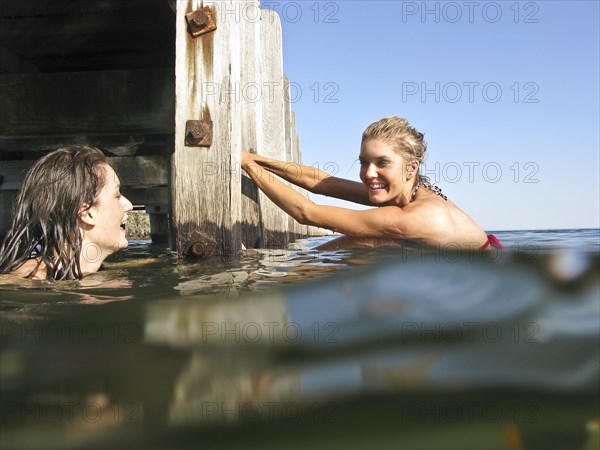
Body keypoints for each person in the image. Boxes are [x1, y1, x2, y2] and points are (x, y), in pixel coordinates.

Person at [241, 117, 503, 251]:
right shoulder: (405, 192)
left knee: (365, 239)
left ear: (412, 168)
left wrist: (247, 166)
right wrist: (257, 159)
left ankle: (287, 267)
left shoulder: (415, 217)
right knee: (364, 241)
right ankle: (293, 264)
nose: (369, 173)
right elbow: (321, 182)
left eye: (382, 163)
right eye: (364, 162)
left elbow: (306, 213)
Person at [0, 145, 133, 281]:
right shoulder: (29, 278)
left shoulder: (88, 269)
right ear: (87, 213)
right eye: (117, 195)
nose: (129, 205)